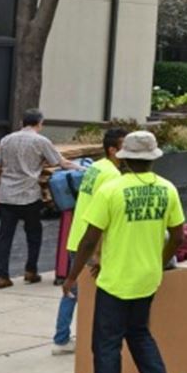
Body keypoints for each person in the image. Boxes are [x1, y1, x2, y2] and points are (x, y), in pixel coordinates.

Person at [62, 131, 183, 373]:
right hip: (147, 279)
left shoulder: (111, 190)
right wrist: (158, 262)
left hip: (115, 281)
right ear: (153, 158)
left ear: (124, 158)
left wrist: (71, 277)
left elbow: (89, 239)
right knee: (139, 335)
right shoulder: (168, 189)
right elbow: (178, 237)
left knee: (106, 346)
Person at [53, 127, 126, 355]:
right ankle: (79, 339)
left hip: (77, 236)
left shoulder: (96, 167)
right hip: (91, 242)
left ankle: (61, 338)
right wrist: (98, 252)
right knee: (93, 295)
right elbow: (104, 215)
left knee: (72, 290)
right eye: (124, 147)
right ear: (113, 150)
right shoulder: (112, 176)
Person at [0, 108, 80, 289]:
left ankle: (1, 276)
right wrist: (84, 168)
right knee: (34, 234)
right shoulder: (41, 141)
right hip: (29, 195)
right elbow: (62, 163)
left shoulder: (6, 140)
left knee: (4, 237)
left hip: (7, 195)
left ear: (21, 123)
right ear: (40, 123)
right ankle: (30, 271)